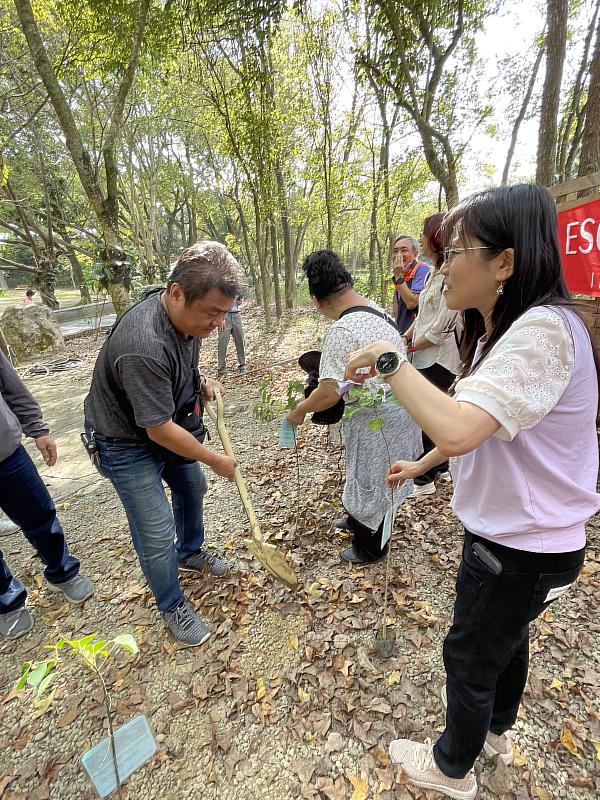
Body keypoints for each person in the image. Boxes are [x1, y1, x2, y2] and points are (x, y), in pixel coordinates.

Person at [344, 183, 600, 800]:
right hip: (531, 539)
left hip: (516, 544)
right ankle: (497, 732)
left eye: (459, 249)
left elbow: (460, 426)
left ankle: (450, 768)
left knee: (468, 654)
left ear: (505, 262)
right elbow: (477, 425)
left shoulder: (541, 331)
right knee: (507, 640)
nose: (445, 265)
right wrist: (422, 463)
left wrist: (390, 360)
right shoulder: (504, 333)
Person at [84, 241, 240, 647]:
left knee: (192, 486)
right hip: (125, 441)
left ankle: (189, 552)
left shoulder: (190, 321)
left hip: (165, 421)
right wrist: (214, 458)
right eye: (213, 312)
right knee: (155, 530)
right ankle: (171, 603)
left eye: (226, 312)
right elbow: (157, 429)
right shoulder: (143, 345)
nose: (220, 323)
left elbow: (182, 361)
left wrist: (199, 380)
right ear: (175, 293)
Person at [286, 250, 421, 565]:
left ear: (317, 301)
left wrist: (299, 411)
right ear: (348, 283)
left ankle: (371, 548)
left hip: (380, 415)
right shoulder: (375, 309)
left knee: (378, 481)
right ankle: (359, 520)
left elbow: (329, 393)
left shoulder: (341, 330)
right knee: (369, 475)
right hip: (401, 407)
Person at [0, 351, 94, 640]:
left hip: (7, 454)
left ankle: (62, 570)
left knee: (41, 514)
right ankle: (7, 599)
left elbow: (11, 385)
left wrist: (38, 429)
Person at [402, 213, 463, 497]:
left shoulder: (453, 275)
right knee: (430, 414)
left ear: (435, 238)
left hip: (440, 357)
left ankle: (424, 478)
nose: (421, 239)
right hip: (422, 353)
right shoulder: (433, 272)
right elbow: (424, 312)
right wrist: (406, 336)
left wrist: (414, 346)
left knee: (427, 416)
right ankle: (442, 467)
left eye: (424, 235)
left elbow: (441, 325)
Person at [390, 235, 430, 334]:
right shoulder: (400, 273)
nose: (399, 255)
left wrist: (399, 277)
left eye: (404, 250)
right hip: (402, 330)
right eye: (395, 251)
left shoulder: (422, 268)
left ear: (415, 254)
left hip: (416, 333)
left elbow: (412, 303)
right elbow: (396, 308)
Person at [217, 293, 247, 376]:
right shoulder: (221, 287)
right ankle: (221, 369)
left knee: (240, 340)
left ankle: (243, 365)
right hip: (224, 317)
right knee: (223, 342)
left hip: (236, 315)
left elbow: (240, 301)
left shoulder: (237, 288)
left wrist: (240, 300)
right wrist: (221, 317)